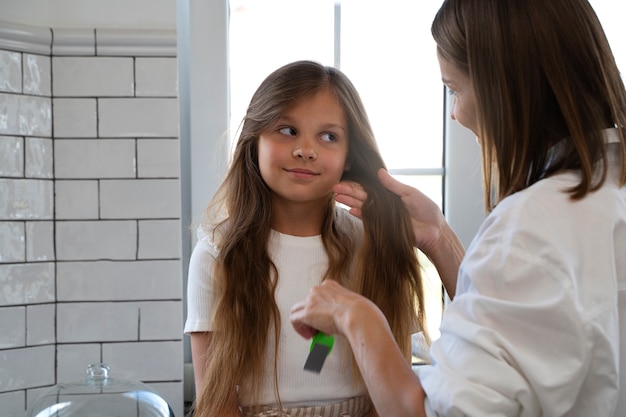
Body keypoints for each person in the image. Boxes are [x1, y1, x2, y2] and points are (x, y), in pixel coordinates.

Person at [290, 0, 626, 416]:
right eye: (287, 131)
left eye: (455, 89)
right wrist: (438, 236)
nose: (455, 113)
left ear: (505, 86)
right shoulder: (600, 196)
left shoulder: (533, 225)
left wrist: (356, 316)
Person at [184, 60, 429, 417]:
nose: (306, 150)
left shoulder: (375, 245)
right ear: (255, 141)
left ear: (349, 157)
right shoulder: (217, 254)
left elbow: (394, 390)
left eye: (329, 136)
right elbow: (216, 404)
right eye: (287, 130)